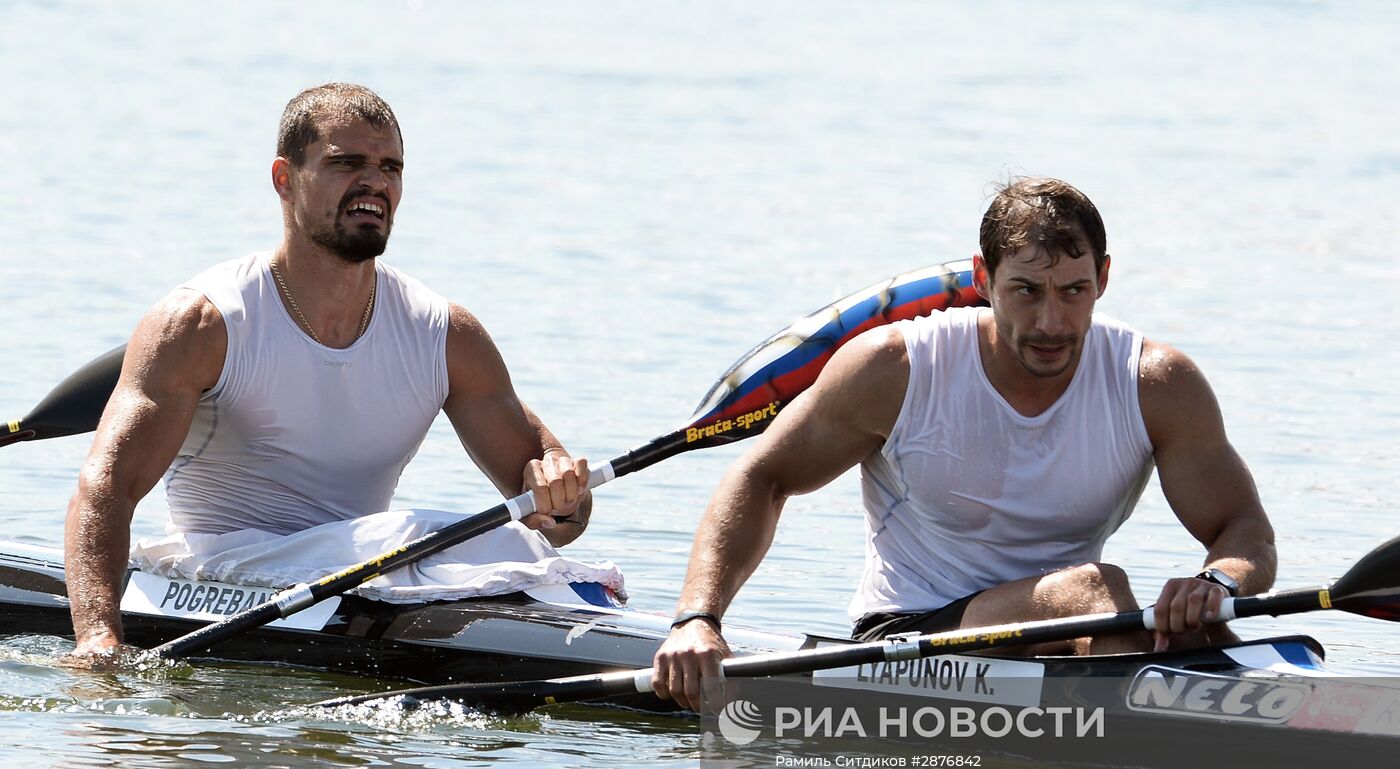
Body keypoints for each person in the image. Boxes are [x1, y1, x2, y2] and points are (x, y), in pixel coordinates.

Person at [653, 177, 1277, 711]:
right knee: (1096, 591)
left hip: (1070, 632)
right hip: (909, 640)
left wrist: (1217, 583)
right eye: (1027, 290)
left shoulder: (1156, 384)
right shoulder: (895, 368)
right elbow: (762, 477)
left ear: (1104, 278)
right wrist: (698, 619)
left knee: (1187, 625)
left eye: (1074, 291)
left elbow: (1244, 528)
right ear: (984, 278)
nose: (1052, 323)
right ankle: (1166, 738)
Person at [65, 83, 591, 659]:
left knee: (508, 537)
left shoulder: (447, 336)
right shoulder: (203, 323)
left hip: (366, 567)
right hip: (225, 569)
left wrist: (560, 497)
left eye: (391, 167)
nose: (376, 182)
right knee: (443, 534)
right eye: (347, 163)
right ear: (284, 180)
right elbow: (105, 488)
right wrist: (98, 636)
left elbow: (563, 519)